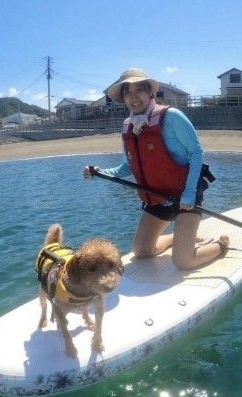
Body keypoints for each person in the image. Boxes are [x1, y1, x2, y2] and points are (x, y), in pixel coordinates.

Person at [84, 68, 228, 270]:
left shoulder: (172, 116)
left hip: (185, 197)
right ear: (123, 98)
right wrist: (101, 173)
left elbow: (196, 152)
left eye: (139, 90)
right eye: (127, 93)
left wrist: (189, 193)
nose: (133, 97)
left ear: (150, 92)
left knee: (183, 262)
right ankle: (177, 238)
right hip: (157, 198)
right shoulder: (127, 126)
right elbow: (129, 166)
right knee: (141, 251)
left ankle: (221, 245)